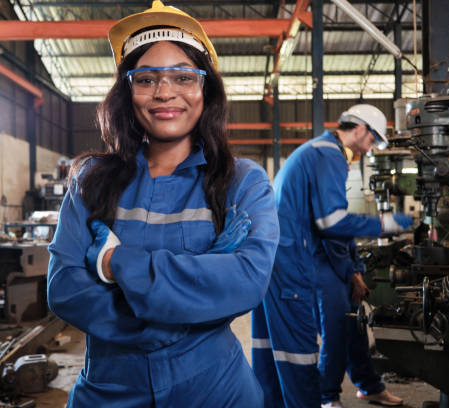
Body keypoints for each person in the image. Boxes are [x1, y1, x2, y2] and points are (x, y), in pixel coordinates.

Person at [47, 2, 279, 406]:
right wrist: (173, 323)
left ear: (205, 89)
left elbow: (246, 281)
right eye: (146, 79)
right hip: (109, 390)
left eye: (183, 77)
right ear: (128, 91)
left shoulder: (243, 182)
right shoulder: (91, 181)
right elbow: (64, 288)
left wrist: (114, 263)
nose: (165, 92)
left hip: (214, 391)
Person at [251, 104, 410, 408]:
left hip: (278, 258)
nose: (369, 149)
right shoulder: (329, 154)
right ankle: (322, 398)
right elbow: (332, 222)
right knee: (298, 354)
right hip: (292, 263)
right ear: (361, 129)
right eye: (371, 141)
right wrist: (383, 224)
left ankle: (358, 386)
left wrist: (353, 269)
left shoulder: (316, 151)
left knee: (270, 351)